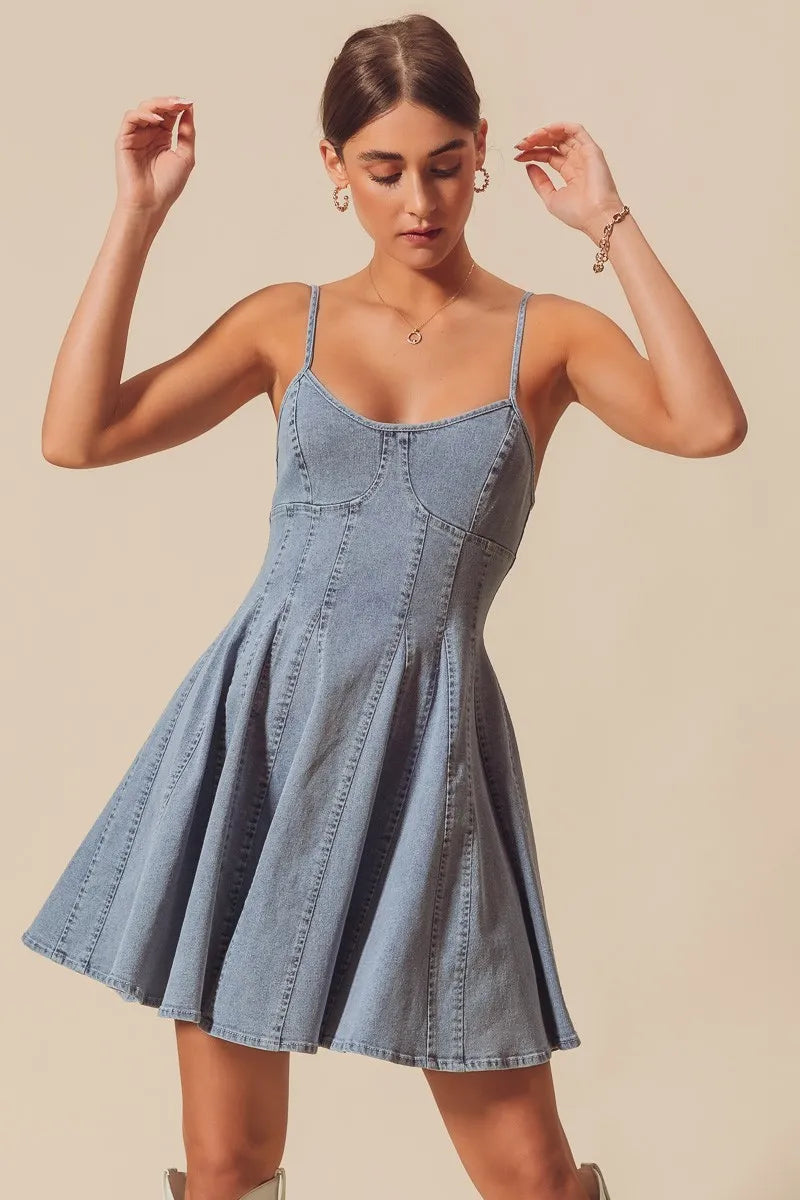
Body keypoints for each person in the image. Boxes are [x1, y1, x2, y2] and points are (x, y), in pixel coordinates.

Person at [20, 13, 747, 1200]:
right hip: (252, 737)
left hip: (428, 752)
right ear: (332, 168)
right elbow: (76, 435)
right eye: (384, 169)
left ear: (481, 154)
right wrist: (137, 217)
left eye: (447, 164)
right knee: (229, 1167)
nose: (420, 200)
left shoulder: (545, 335)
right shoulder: (281, 322)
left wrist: (606, 223)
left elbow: (707, 424)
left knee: (530, 1178)